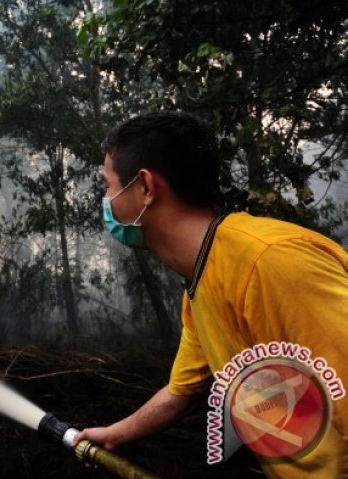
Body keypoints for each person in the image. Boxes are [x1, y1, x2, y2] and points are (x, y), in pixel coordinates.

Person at [75, 111, 348, 478]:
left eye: (108, 186)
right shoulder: (201, 284)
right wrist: (114, 434)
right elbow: (181, 392)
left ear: (145, 187)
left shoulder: (269, 261)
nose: (106, 201)